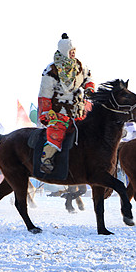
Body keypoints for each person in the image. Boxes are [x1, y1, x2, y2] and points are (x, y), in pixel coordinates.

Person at [38, 33, 96, 173]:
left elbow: (88, 79)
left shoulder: (81, 67)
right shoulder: (51, 70)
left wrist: (89, 89)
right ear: (64, 51)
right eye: (70, 51)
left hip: (79, 110)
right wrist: (47, 111)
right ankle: (47, 159)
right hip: (58, 111)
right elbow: (45, 94)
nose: (73, 53)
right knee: (56, 131)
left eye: (74, 50)